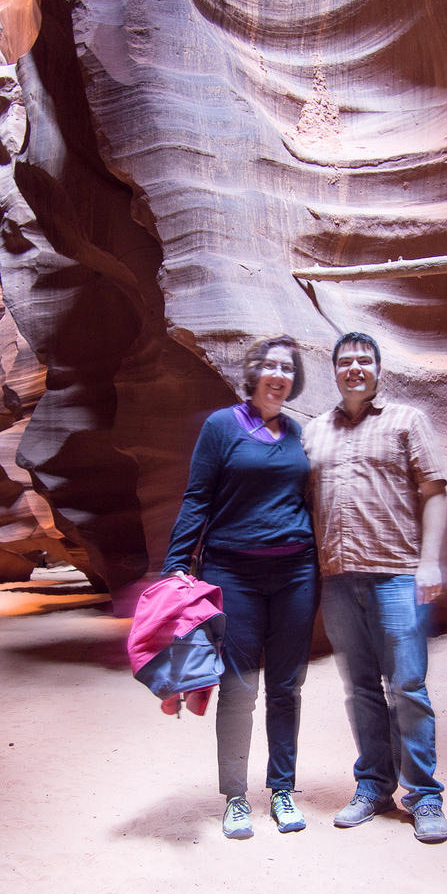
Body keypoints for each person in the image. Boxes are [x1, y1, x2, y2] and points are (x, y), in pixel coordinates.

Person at [162, 335, 318, 839]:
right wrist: (176, 565)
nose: (278, 374)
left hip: (295, 574)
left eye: (287, 367)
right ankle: (235, 797)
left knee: (287, 686)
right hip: (234, 575)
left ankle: (282, 789)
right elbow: (197, 497)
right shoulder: (222, 426)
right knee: (239, 687)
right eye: (269, 365)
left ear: (294, 379)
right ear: (252, 374)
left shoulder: (297, 433)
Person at [302, 331, 447, 843]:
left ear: (378, 369)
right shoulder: (315, 431)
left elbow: (434, 491)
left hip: (396, 574)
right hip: (338, 579)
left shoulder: (408, 421)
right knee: (360, 688)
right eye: (346, 361)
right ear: (336, 371)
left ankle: (424, 795)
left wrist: (430, 562)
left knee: (407, 685)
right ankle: (372, 786)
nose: (355, 367)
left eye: (365, 360)